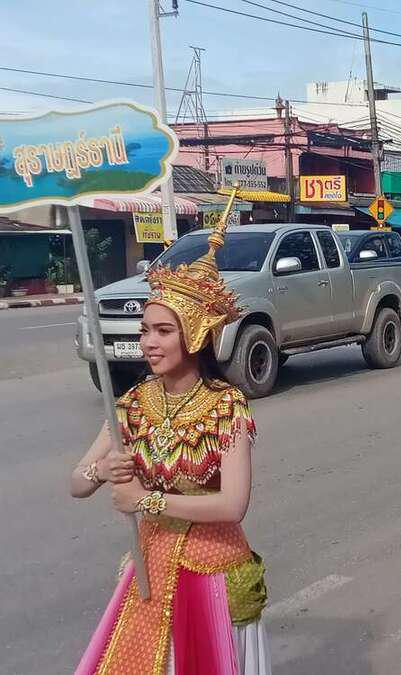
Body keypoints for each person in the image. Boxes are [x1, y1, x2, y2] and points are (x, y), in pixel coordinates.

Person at [72, 223, 270, 674]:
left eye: (163, 331)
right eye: (145, 330)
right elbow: (75, 483)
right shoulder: (133, 403)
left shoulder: (225, 405)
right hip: (151, 568)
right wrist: (101, 471)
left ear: (194, 336)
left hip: (211, 572)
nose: (149, 342)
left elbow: (232, 505)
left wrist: (147, 500)